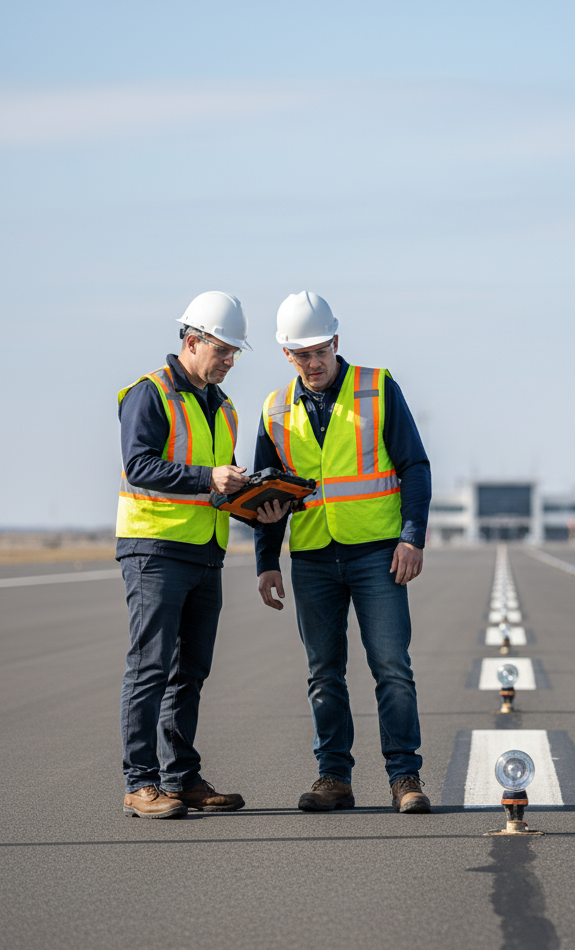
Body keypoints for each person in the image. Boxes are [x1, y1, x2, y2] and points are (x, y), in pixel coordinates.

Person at [254, 291, 431, 814]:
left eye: (318, 351)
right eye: (299, 354)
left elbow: (414, 466)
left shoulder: (378, 387)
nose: (311, 363)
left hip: (379, 554)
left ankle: (405, 777)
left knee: (391, 667)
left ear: (335, 341)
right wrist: (266, 560)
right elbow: (267, 490)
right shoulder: (276, 407)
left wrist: (412, 535)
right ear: (286, 353)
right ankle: (334, 778)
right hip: (310, 558)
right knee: (323, 672)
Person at [116, 292, 289, 818]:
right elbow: (139, 466)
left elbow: (217, 487)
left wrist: (253, 508)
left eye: (236, 353)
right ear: (192, 342)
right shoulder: (150, 394)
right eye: (224, 350)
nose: (231, 361)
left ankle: (181, 778)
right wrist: (208, 478)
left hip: (205, 552)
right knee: (150, 668)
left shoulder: (226, 407)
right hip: (155, 550)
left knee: (189, 671)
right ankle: (140, 783)